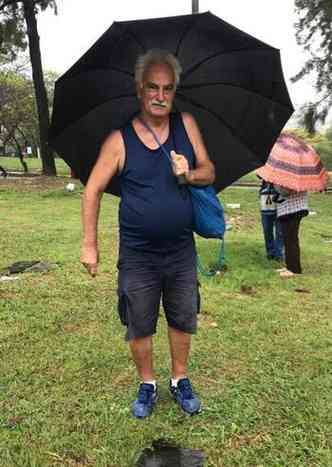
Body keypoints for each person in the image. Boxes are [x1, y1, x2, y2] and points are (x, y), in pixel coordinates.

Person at [80, 49, 215, 418]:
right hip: (138, 254)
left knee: (183, 316)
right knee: (139, 320)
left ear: (174, 92)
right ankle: (147, 383)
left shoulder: (186, 124)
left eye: (168, 89)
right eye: (153, 88)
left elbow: (210, 171)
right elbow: (92, 190)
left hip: (181, 250)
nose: (160, 96)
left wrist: (189, 173)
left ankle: (180, 379)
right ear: (140, 90)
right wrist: (89, 245)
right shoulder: (119, 140)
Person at [275, 186, 309, 277]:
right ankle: (289, 266)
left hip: (292, 210)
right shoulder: (298, 176)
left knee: (291, 239)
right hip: (292, 209)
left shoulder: (290, 178)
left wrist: (275, 184)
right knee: (288, 239)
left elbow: (284, 192)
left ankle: (294, 269)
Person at [258, 177, 284, 261]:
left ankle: (278, 254)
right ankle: (270, 253)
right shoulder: (266, 168)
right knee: (267, 230)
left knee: (280, 231)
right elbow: (258, 175)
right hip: (265, 204)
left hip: (279, 205)